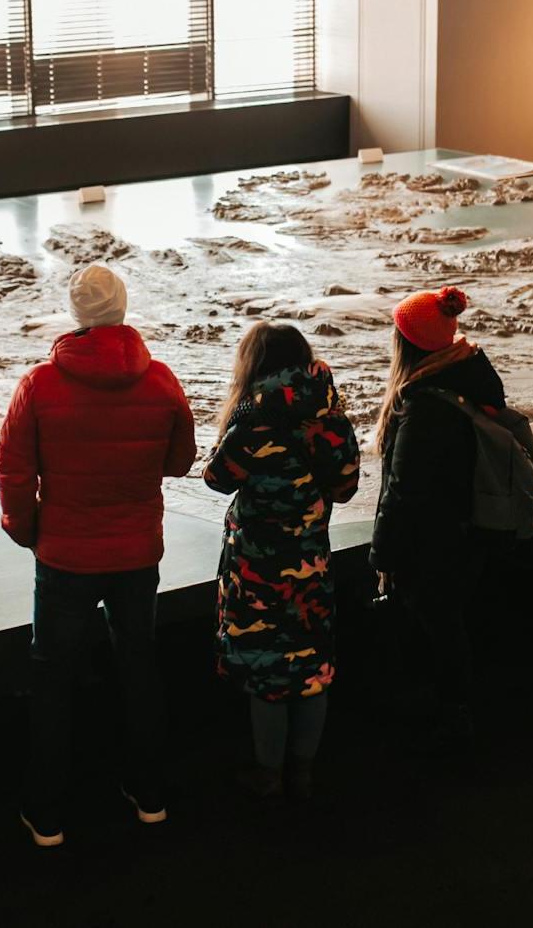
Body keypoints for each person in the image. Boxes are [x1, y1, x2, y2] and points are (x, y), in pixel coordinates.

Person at [0, 263, 197, 847]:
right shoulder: (160, 380)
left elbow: (13, 468)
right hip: (137, 554)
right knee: (139, 669)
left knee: (54, 680)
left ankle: (48, 813)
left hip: (63, 558)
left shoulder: (40, 383)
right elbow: (179, 461)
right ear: (124, 309)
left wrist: (27, 530)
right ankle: (149, 795)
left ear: (77, 315)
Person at [202, 322, 360, 799]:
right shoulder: (330, 419)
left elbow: (216, 479)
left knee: (265, 668)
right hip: (311, 562)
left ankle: (268, 775)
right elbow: (347, 487)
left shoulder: (252, 419)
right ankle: (304, 772)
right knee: (312, 667)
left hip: (255, 569)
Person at [368, 287, 508, 749]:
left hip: (435, 540)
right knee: (450, 621)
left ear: (408, 344)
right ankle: (453, 706)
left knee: (439, 624)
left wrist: (382, 555)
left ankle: (451, 714)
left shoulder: (424, 407)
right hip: (473, 525)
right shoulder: (471, 373)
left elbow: (402, 491)